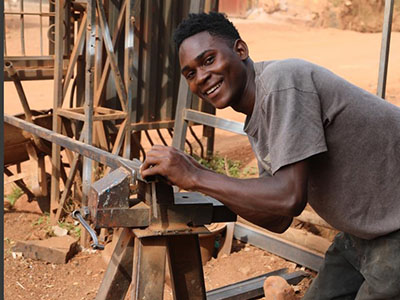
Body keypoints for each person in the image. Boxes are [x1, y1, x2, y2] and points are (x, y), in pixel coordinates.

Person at [140, 12, 400, 299]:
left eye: (208, 60)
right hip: (363, 234)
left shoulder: (282, 83)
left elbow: (289, 197)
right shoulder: (258, 118)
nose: (202, 77)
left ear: (240, 50)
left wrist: (197, 176)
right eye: (190, 73)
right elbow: (278, 218)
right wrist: (199, 175)